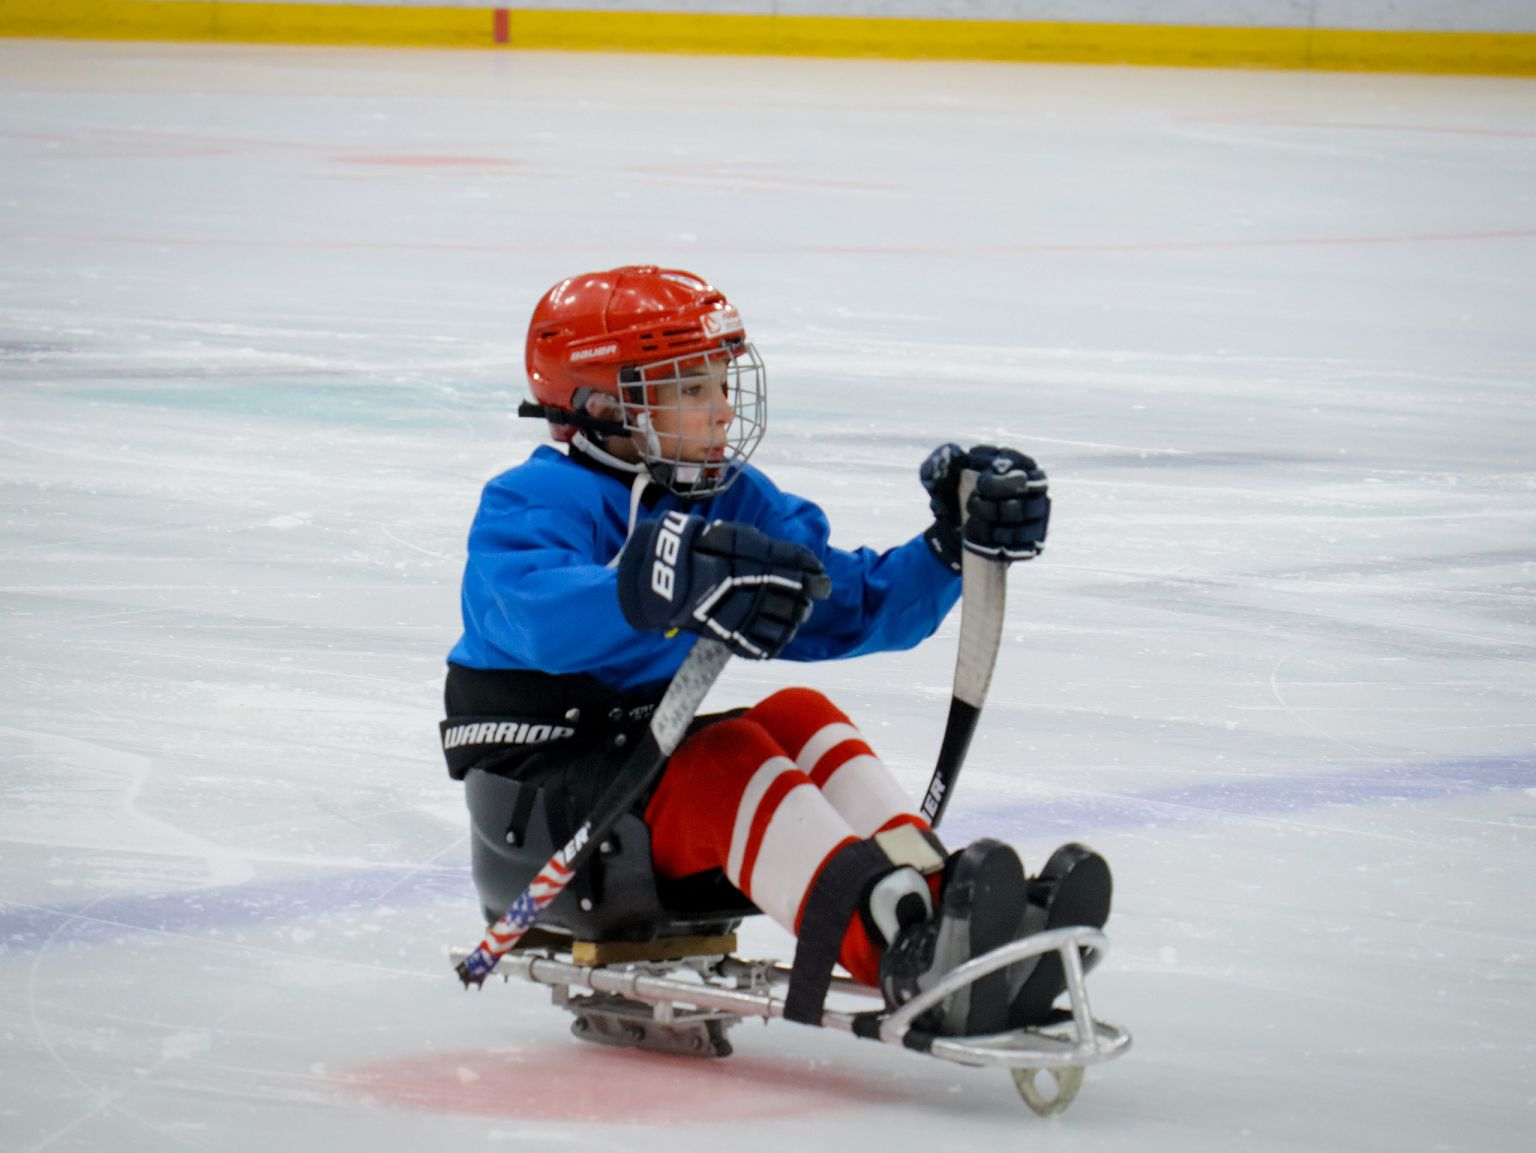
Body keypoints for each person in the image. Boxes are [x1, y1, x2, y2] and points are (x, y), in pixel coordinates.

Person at [443, 265, 1110, 1036]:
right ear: (603, 406)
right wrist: (666, 583)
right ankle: (898, 952)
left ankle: (940, 907)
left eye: (721, 381)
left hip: (642, 768)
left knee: (799, 713)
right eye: (690, 387)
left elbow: (842, 599)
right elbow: (539, 614)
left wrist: (950, 547)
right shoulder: (531, 500)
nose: (723, 407)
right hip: (546, 804)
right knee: (725, 757)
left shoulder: (726, 496)